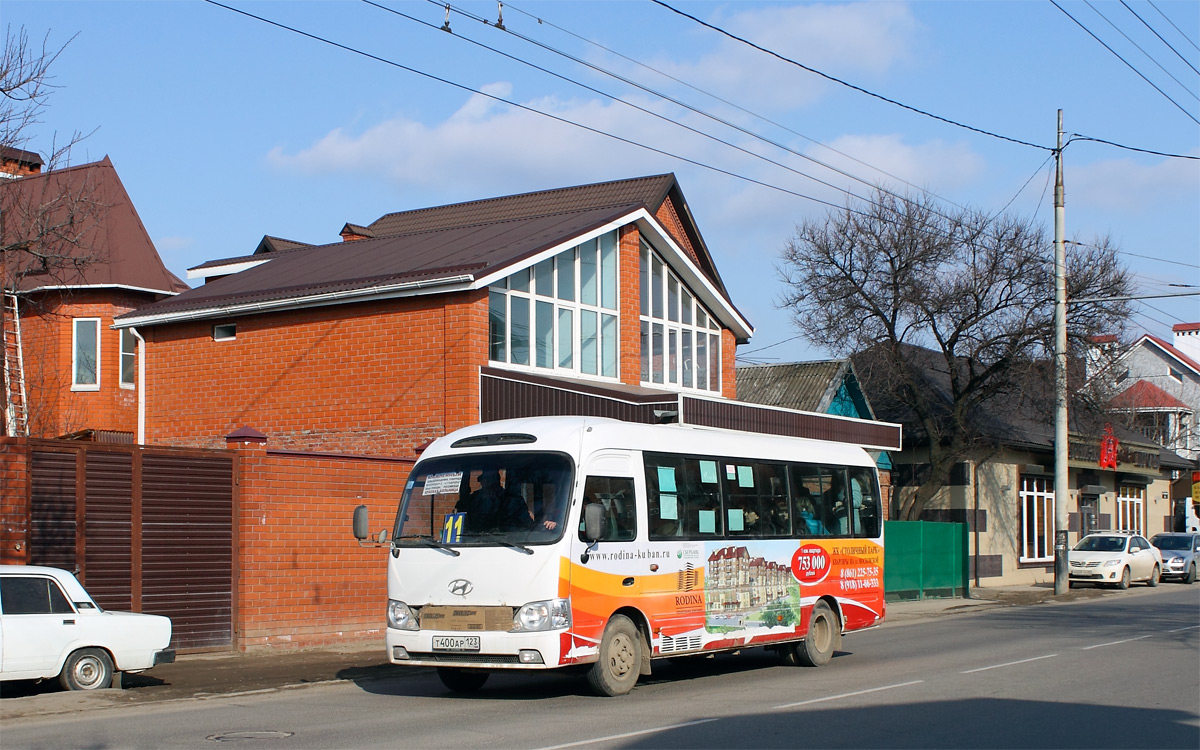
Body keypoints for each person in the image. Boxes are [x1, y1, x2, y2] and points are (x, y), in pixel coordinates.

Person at [455, 470, 530, 532]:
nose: (484, 484)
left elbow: (527, 526)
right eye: (483, 481)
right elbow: (461, 514)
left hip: (508, 542)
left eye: (488, 481)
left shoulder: (512, 500)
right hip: (473, 540)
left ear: (496, 482)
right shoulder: (474, 498)